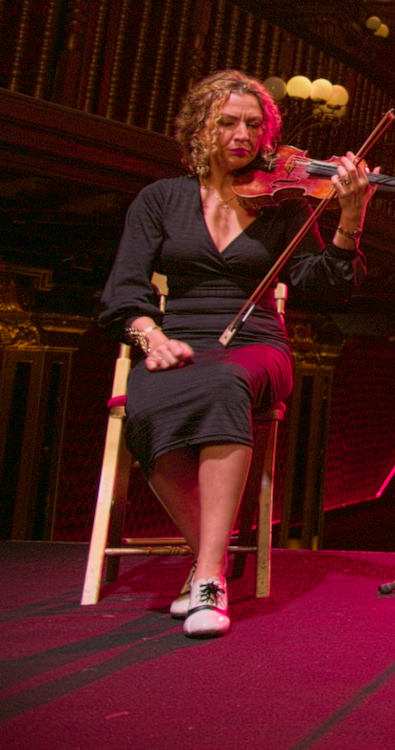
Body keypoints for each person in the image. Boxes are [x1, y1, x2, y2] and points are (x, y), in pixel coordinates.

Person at [97, 70, 370, 638]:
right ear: (201, 128)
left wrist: (350, 220)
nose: (241, 133)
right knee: (147, 404)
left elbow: (323, 285)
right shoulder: (160, 200)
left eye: (253, 124)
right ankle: (212, 561)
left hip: (256, 344)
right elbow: (124, 293)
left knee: (225, 383)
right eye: (227, 122)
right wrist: (152, 338)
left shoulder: (282, 205)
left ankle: (208, 580)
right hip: (177, 338)